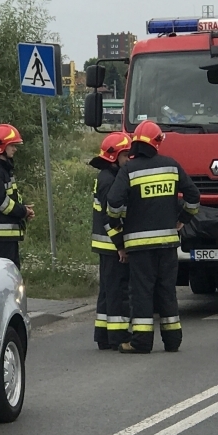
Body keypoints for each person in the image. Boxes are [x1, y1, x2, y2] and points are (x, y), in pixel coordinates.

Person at [106, 120, 200, 354]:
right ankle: (172, 340)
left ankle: (141, 342)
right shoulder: (171, 166)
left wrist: (117, 223)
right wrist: (183, 220)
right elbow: (194, 197)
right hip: (168, 243)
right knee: (166, 290)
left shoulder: (129, 169)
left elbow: (114, 202)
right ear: (157, 143)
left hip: (139, 247)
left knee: (142, 292)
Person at [89, 132, 133, 350]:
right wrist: (121, 246)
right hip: (111, 244)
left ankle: (103, 335)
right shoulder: (111, 180)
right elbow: (109, 217)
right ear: (115, 156)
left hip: (105, 244)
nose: (128, 160)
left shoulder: (105, 176)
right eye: (126, 155)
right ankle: (117, 337)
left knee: (107, 292)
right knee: (117, 291)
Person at [0, 124, 34, 266]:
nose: (15, 149)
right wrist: (22, 211)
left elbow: (10, 197)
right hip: (1, 236)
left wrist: (23, 208)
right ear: (1, 146)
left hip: (5, 236)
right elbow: (0, 201)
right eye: (12, 145)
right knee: (6, 276)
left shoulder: (2, 169)